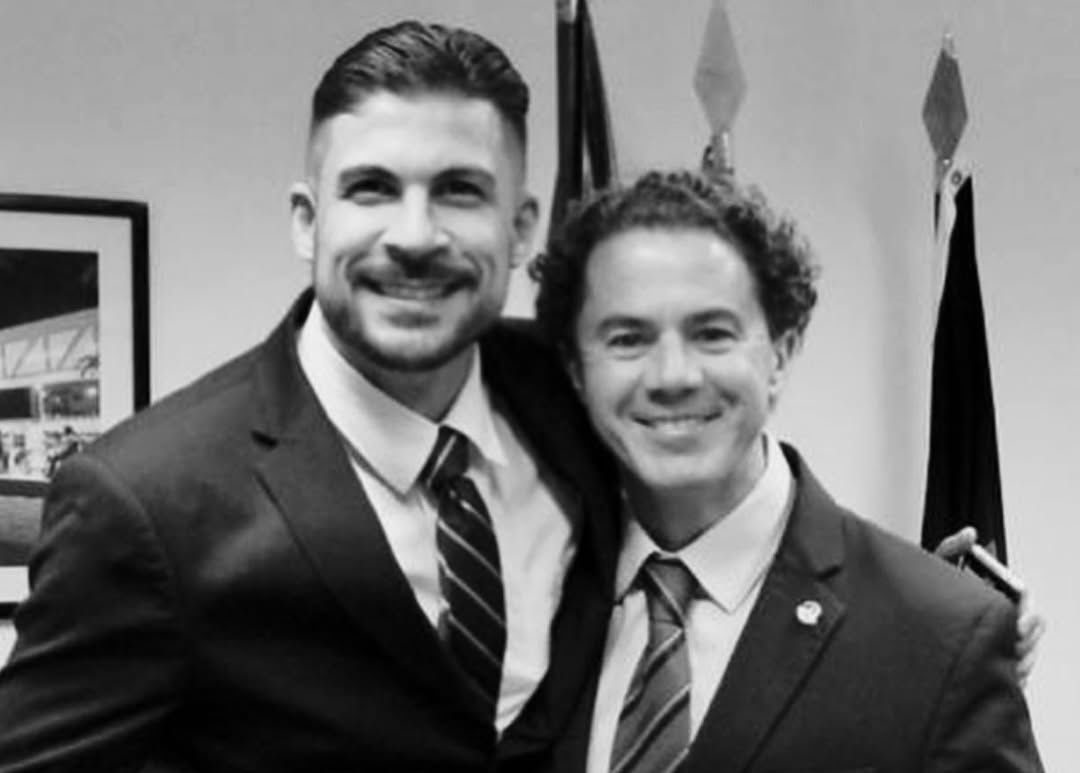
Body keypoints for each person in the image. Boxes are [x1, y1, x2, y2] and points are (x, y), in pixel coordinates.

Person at [0, 21, 620, 772]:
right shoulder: (144, 501)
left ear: (520, 228)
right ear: (307, 220)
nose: (415, 236)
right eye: (371, 189)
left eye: (460, 191)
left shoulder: (576, 397)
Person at [529, 170, 1043, 771]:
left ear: (782, 350)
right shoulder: (527, 595)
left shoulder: (939, 637)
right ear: (575, 369)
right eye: (626, 339)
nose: (672, 376)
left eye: (712, 334)